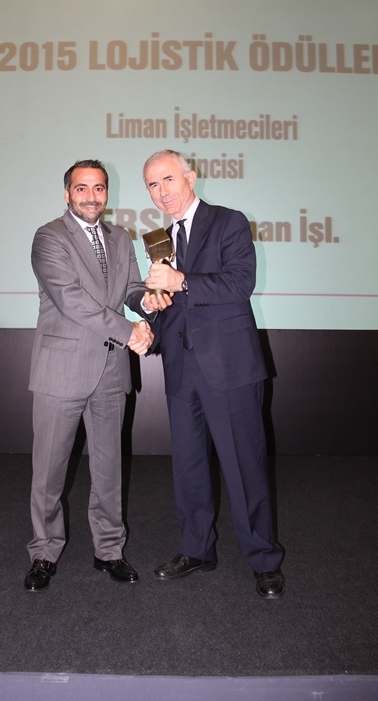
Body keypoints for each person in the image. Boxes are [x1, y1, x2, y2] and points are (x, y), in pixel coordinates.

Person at [141, 149, 285, 598]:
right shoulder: (160, 240)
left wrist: (180, 280)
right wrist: (151, 309)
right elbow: (173, 307)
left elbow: (241, 282)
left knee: (243, 466)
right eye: (152, 185)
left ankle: (263, 559)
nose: (161, 191)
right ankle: (197, 548)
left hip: (230, 368)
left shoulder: (228, 221)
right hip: (181, 368)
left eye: (168, 179)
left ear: (190, 176)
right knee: (188, 466)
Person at [24, 159, 154, 591]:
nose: (91, 196)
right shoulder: (49, 237)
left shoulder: (121, 237)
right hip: (62, 370)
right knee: (49, 471)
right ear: (67, 194)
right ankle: (44, 552)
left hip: (111, 371)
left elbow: (131, 289)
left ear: (106, 193)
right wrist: (129, 331)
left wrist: (148, 303)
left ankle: (110, 550)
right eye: (82, 188)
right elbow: (71, 299)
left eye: (99, 188)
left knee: (109, 468)